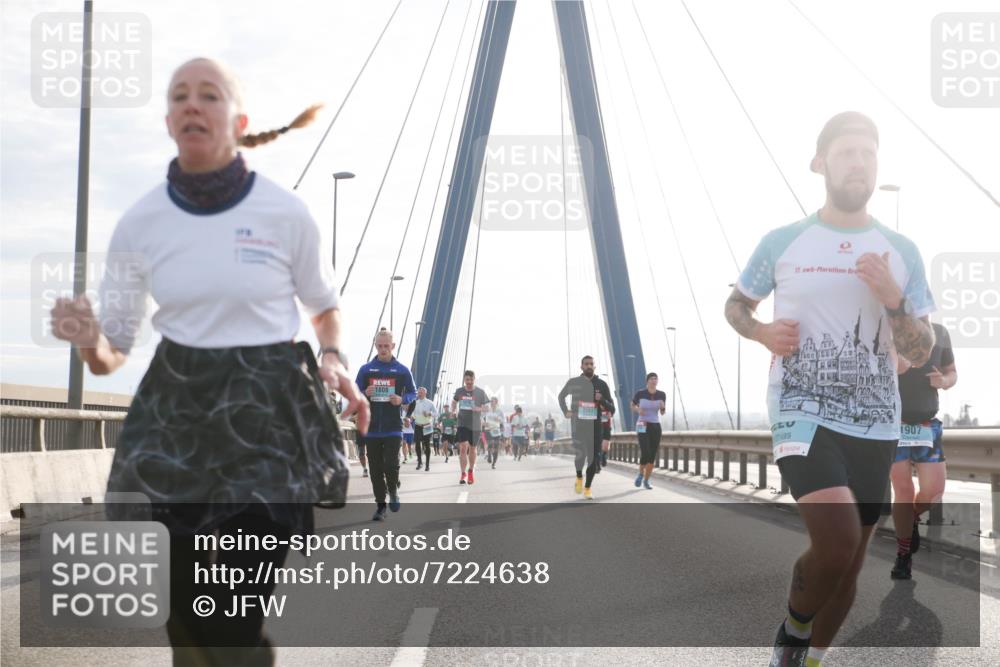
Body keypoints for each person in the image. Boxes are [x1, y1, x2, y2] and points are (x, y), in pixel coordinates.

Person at [49, 57, 370, 667]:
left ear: (238, 119)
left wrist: (332, 356)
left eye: (209, 95)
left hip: (265, 418)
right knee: (186, 611)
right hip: (176, 418)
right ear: (169, 120)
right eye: (180, 96)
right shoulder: (141, 221)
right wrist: (89, 339)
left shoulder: (284, 213)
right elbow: (111, 356)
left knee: (233, 617)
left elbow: (324, 308)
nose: (193, 104)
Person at [724, 111, 935, 667]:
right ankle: (792, 636)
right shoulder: (784, 241)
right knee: (838, 540)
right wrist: (762, 330)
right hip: (802, 412)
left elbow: (920, 350)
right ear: (821, 163)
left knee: (851, 562)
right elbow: (736, 304)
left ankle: (811, 659)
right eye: (846, 152)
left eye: (868, 152)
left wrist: (894, 299)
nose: (858, 162)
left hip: (875, 422)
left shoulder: (902, 251)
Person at [890, 322, 956, 580]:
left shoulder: (939, 332)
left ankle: (912, 517)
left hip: (927, 425)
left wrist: (944, 381)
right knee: (903, 491)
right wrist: (896, 361)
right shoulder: (888, 329)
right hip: (893, 425)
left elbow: (952, 372)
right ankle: (903, 555)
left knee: (934, 491)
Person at [356, 328, 416, 521]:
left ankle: (393, 489)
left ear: (393, 346)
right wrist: (365, 392)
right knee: (375, 470)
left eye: (386, 346)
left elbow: (413, 393)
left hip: (392, 427)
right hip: (372, 428)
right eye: (380, 346)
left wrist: (401, 399)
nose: (383, 349)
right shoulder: (366, 370)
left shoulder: (402, 370)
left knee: (390, 465)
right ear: (375, 345)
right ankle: (381, 506)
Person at [558, 356, 615, 499]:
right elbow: (561, 396)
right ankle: (579, 477)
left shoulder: (602, 385)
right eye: (586, 364)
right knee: (580, 455)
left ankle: (588, 488)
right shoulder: (574, 382)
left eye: (591, 364)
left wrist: (601, 399)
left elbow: (612, 408)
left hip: (596, 426)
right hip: (578, 425)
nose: (589, 366)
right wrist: (566, 411)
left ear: (594, 366)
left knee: (593, 458)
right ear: (581, 366)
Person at [452, 370, 490, 485]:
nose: (469, 382)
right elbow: (454, 402)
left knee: (473, 448)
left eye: (471, 379)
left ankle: (470, 471)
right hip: (462, 423)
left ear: (474, 379)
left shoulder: (480, 392)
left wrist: (477, 409)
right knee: (463, 447)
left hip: (475, 424)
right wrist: (453, 410)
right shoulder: (459, 391)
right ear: (464, 379)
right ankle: (463, 474)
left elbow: (486, 408)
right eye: (467, 379)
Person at [631, 373, 666, 489]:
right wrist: (637, 409)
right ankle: (641, 474)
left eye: (656, 378)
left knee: (651, 455)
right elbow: (632, 405)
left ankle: (646, 480)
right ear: (647, 381)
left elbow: (662, 412)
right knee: (645, 452)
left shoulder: (662, 394)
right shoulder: (640, 393)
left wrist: (662, 407)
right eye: (651, 379)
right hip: (642, 423)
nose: (654, 380)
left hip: (655, 425)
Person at [408, 386, 437, 472]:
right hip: (418, 425)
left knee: (427, 445)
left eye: (421, 392)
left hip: (427, 426)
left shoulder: (430, 403)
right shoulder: (415, 403)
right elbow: (412, 414)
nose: (419, 394)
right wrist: (410, 420)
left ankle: (427, 464)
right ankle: (420, 462)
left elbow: (436, 413)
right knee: (417, 444)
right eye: (418, 392)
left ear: (425, 393)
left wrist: (429, 413)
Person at [484, 397, 505, 469]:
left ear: (496, 402)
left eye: (492, 401)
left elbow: (503, 420)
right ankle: (489, 455)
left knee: (496, 447)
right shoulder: (487, 409)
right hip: (488, 429)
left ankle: (494, 463)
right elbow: (481, 417)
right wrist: (483, 423)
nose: (491, 402)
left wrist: (499, 419)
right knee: (490, 443)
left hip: (496, 430)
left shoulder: (500, 411)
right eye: (490, 401)